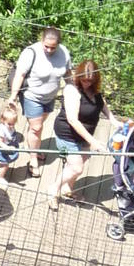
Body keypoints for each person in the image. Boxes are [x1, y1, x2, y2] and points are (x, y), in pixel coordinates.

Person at [48, 59, 113, 209]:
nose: (86, 84)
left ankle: (67, 188)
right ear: (78, 76)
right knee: (76, 168)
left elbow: (101, 102)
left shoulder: (93, 90)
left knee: (80, 161)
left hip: (85, 134)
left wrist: (113, 119)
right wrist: (93, 141)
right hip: (68, 134)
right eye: (84, 80)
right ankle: (54, 189)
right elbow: (73, 120)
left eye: (90, 81)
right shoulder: (72, 90)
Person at [9, 27, 72, 177]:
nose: (49, 50)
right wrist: (13, 96)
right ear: (41, 40)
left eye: (53, 47)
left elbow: (68, 74)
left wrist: (73, 91)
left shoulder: (64, 53)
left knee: (35, 127)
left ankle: (32, 145)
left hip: (50, 97)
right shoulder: (31, 52)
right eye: (46, 46)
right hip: (32, 96)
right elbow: (20, 74)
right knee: (37, 127)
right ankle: (33, 159)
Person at [0, 100, 24, 183]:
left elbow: (14, 112)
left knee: (0, 161)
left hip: (10, 144)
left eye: (13, 124)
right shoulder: (2, 130)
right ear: (2, 120)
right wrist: (7, 147)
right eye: (9, 124)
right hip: (2, 148)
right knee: (5, 164)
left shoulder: (9, 125)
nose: (11, 126)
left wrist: (14, 108)